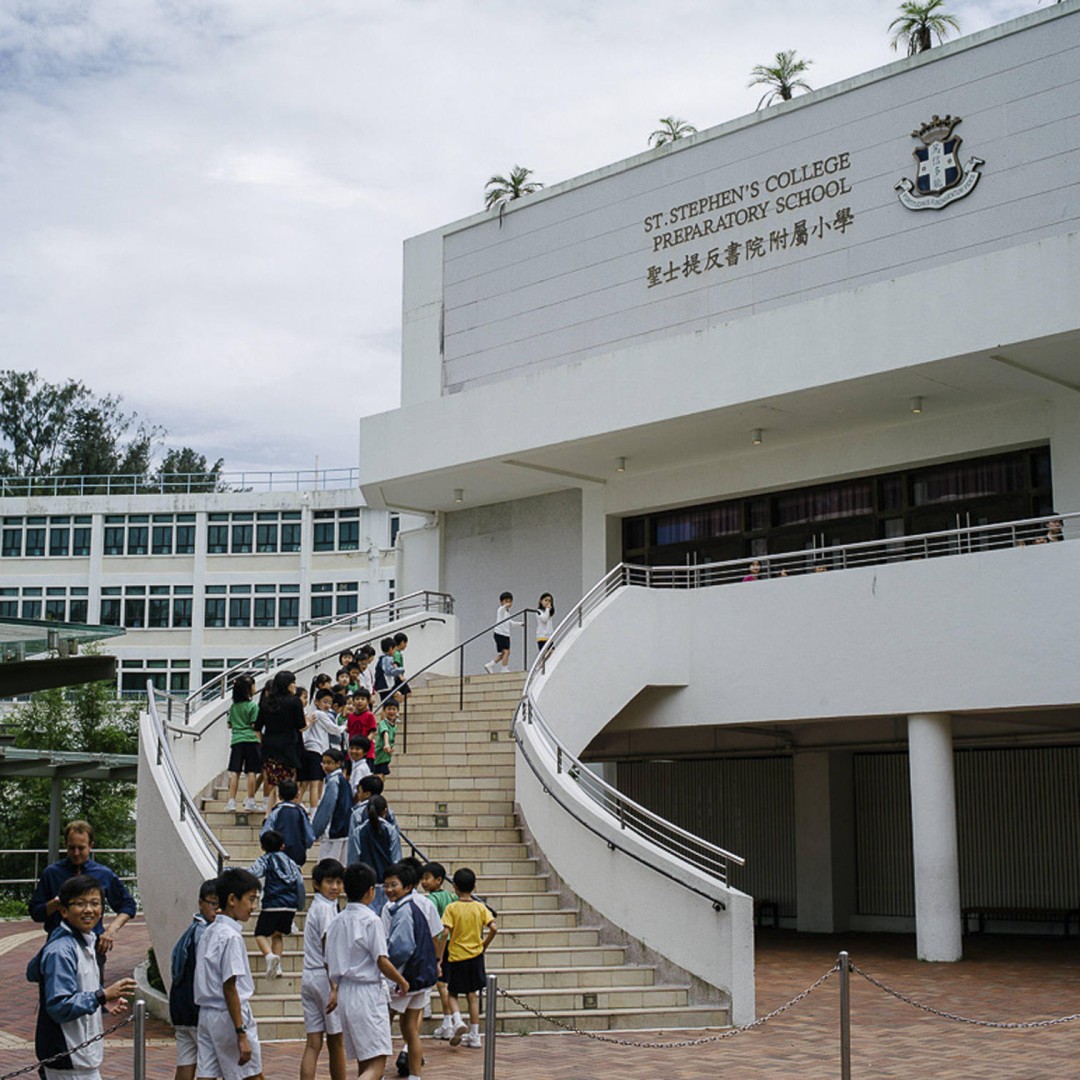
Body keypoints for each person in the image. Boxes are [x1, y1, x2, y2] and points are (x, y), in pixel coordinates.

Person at [26, 873, 137, 1080]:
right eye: (80, 903)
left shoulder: (86, 941)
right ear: (64, 911)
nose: (88, 910)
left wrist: (103, 1001)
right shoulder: (61, 951)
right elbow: (59, 1005)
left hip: (80, 1058)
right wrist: (101, 996)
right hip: (68, 1060)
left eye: (95, 903)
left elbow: (80, 989)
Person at [325, 862, 410, 1080]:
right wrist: (401, 980)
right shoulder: (371, 920)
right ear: (370, 890)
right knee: (377, 1065)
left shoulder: (337, 921)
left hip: (346, 992)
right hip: (367, 992)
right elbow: (382, 960)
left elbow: (328, 958)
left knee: (365, 1060)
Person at [28, 820, 137, 977]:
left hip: (92, 947)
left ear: (91, 845)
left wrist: (110, 931)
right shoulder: (52, 873)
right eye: (71, 848)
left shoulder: (103, 874)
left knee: (93, 991)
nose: (76, 853)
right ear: (65, 845)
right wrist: (56, 904)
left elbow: (128, 905)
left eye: (81, 848)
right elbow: (35, 912)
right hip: (58, 946)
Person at [194, 867, 263, 1080]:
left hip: (207, 1014)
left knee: (207, 1074)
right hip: (229, 1014)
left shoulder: (209, 931)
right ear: (232, 899)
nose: (253, 907)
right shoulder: (231, 937)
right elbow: (230, 986)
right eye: (250, 899)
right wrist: (241, 1032)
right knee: (252, 1075)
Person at [383, 862, 442, 1080]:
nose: (389, 890)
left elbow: (401, 948)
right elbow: (437, 935)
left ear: (407, 886)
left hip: (405, 977)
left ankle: (376, 1072)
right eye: (386, 885)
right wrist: (436, 962)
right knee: (411, 1029)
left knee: (383, 1024)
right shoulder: (418, 905)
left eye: (394, 885)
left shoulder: (402, 911)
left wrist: (387, 968)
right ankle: (415, 1076)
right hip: (422, 976)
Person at [300, 858, 346, 1080]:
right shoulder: (327, 908)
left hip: (309, 976)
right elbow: (329, 947)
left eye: (338, 882)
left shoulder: (317, 906)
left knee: (313, 1042)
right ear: (317, 884)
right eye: (329, 882)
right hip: (324, 977)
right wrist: (334, 986)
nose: (335, 887)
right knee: (336, 1041)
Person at [441, 867, 497, 1049]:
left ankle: (457, 1020)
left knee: (452, 993)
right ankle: (475, 1035)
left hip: (457, 956)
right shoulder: (480, 907)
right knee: (472, 995)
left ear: (455, 887)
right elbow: (494, 927)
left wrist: (439, 955)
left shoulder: (451, 908)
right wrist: (483, 945)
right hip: (475, 956)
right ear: (474, 886)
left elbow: (445, 932)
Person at [170, 879, 219, 1080]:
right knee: (209, 1066)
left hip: (180, 1007)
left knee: (186, 1061)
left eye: (220, 904)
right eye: (212, 903)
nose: (217, 909)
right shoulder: (206, 933)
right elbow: (208, 974)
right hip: (197, 1008)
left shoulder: (190, 930)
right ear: (200, 903)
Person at [248, 830, 305, 979]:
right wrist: (299, 903)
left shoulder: (265, 860)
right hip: (290, 906)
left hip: (272, 904)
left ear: (262, 847)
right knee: (278, 935)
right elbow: (299, 882)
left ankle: (269, 956)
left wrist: (232, 871)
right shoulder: (291, 862)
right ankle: (277, 966)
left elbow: (254, 873)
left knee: (260, 934)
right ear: (282, 846)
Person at [252, 669, 306, 811]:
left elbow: (257, 728)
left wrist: (263, 741)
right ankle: (287, 809)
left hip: (269, 746)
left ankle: (269, 811)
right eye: (293, 682)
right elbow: (301, 727)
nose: (295, 685)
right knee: (289, 781)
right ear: (286, 684)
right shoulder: (294, 701)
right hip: (288, 747)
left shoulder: (266, 702)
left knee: (272, 781)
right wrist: (309, 722)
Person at [419, 862, 457, 1040]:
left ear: (439, 880)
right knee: (446, 984)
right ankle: (448, 1021)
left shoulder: (431, 900)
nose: (423, 882)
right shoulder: (450, 897)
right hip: (452, 943)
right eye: (422, 878)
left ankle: (448, 1023)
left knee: (442, 985)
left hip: (439, 944)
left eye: (427, 878)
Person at [351, 795, 401, 914]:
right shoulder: (391, 831)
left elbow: (353, 861)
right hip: (387, 886)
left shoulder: (358, 831)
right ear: (385, 811)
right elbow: (396, 860)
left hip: (366, 886)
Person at [224, 675, 262, 813]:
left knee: (235, 772)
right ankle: (250, 800)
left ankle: (231, 801)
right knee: (251, 771)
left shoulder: (233, 707)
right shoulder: (253, 706)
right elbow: (254, 725)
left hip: (236, 741)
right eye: (253, 685)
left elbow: (229, 724)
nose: (255, 688)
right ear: (248, 689)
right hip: (251, 740)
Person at [300, 687, 343, 809]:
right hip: (316, 751)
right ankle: (314, 810)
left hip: (309, 750)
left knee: (305, 783)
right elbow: (333, 729)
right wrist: (345, 727)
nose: (327, 705)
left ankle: (297, 804)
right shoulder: (320, 714)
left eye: (330, 702)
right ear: (316, 702)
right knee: (315, 783)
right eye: (325, 701)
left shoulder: (312, 714)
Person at [259, 778, 315, 867]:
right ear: (297, 795)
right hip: (297, 855)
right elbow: (310, 837)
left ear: (279, 796)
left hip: (277, 856)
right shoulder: (301, 812)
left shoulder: (276, 812)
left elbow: (265, 833)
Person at [311, 748, 353, 864]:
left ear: (338, 763)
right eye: (323, 763)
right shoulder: (342, 780)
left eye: (329, 763)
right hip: (343, 830)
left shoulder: (333, 781)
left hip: (332, 831)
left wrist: (315, 831)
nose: (325, 766)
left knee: (326, 866)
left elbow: (326, 808)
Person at [484, 591, 522, 674]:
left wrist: (520, 624)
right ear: (501, 602)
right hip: (500, 633)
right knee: (506, 652)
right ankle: (504, 668)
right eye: (506, 601)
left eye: (510, 601)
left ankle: (490, 664)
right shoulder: (501, 610)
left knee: (505, 653)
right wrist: (505, 606)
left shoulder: (507, 613)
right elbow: (501, 609)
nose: (508, 603)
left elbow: (510, 622)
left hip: (506, 634)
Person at [374, 699, 400, 777]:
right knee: (379, 775)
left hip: (386, 755)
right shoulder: (383, 723)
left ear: (397, 711)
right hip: (379, 754)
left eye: (394, 709)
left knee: (382, 774)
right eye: (389, 709)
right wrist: (386, 744)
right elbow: (385, 732)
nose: (391, 711)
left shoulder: (394, 725)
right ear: (384, 710)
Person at [347, 735, 373, 802]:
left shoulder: (360, 769)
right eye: (351, 748)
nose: (353, 751)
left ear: (365, 752)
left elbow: (357, 792)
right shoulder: (356, 765)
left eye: (357, 749)